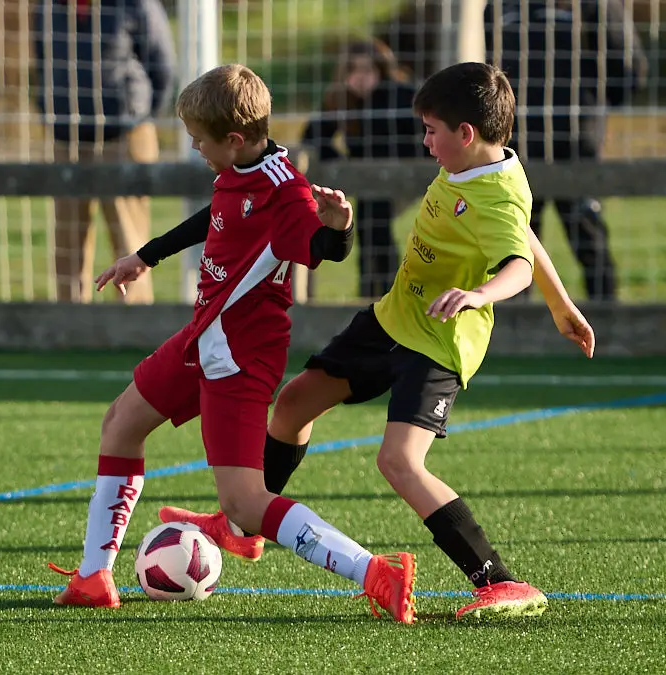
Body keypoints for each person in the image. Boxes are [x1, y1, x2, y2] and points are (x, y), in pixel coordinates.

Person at [160, 62, 597, 621]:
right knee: (293, 404)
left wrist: (479, 294)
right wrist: (563, 307)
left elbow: (515, 258)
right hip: (392, 319)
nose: (425, 140)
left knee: (398, 461)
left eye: (432, 130)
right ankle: (243, 524)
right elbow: (528, 237)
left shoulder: (497, 192)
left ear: (465, 134)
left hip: (438, 342)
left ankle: (500, 581)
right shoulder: (478, 166)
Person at [46, 64, 418, 624]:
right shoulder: (241, 167)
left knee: (243, 502)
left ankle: (377, 574)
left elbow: (321, 247)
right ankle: (94, 577)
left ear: (235, 139)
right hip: (205, 336)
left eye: (199, 140)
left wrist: (339, 226)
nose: (195, 147)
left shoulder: (285, 190)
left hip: (242, 357)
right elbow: (217, 214)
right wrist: (144, 256)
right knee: (120, 423)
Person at [492, 0, 648, 301]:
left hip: (575, 144)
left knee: (587, 235)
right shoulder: (501, 8)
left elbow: (629, 68)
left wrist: (591, 112)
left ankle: (606, 323)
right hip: (516, 144)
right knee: (515, 241)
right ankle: (514, 331)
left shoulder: (594, 8)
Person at [33, 0, 176, 303]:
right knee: (67, 244)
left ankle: (134, 329)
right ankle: (69, 327)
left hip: (124, 137)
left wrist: (138, 117)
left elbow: (163, 66)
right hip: (66, 139)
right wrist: (49, 110)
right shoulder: (47, 6)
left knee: (130, 241)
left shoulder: (135, 4)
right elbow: (43, 61)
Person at [301, 39, 428, 298]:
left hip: (407, 172)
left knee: (375, 224)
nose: (360, 78)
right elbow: (312, 136)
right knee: (370, 226)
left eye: (368, 70)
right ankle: (372, 293)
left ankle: (386, 293)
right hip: (368, 180)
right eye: (353, 71)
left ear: (381, 70)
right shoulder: (341, 100)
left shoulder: (399, 95)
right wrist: (343, 162)